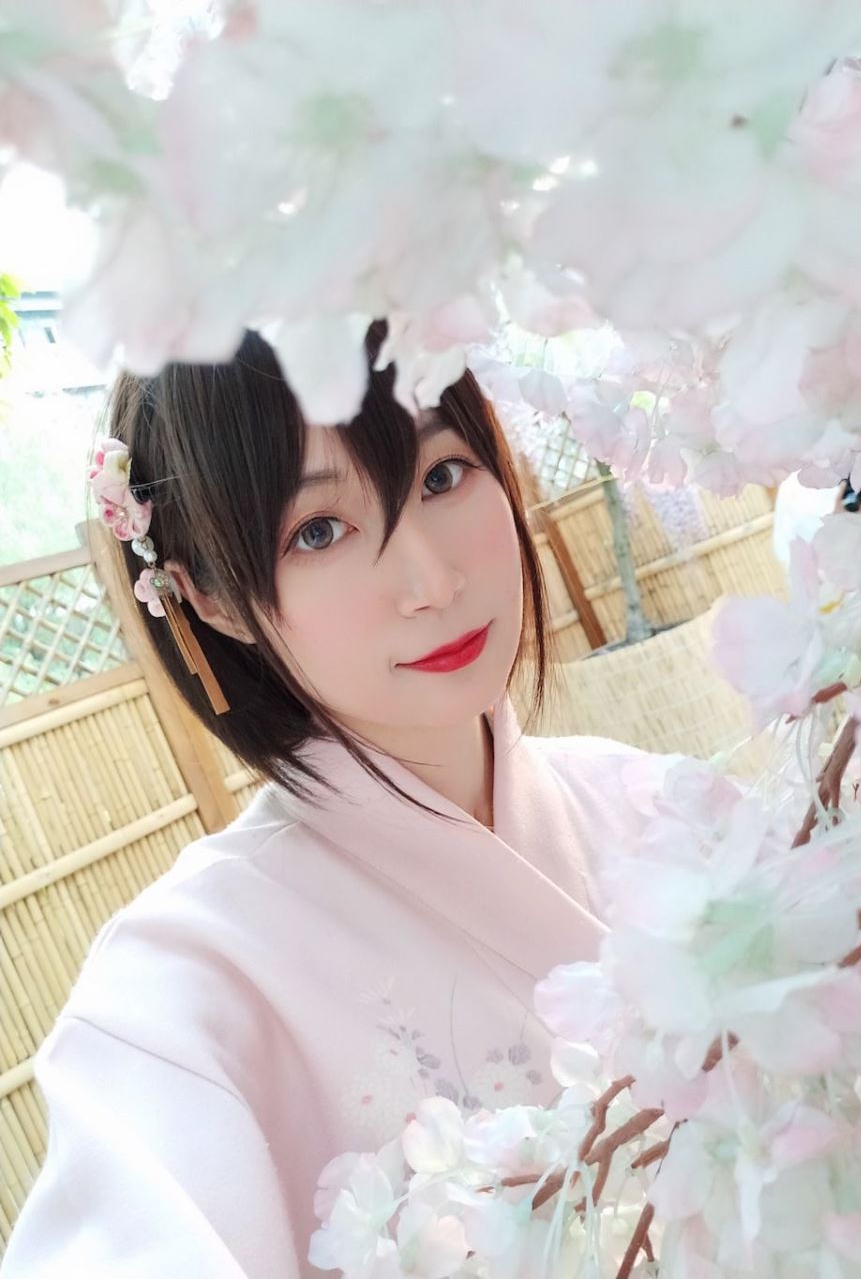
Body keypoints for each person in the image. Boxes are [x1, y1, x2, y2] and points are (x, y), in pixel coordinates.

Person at [2, 323, 675, 1277]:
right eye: (318, 531)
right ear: (210, 599)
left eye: (442, 474)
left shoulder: (661, 809)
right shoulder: (182, 990)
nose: (430, 581)